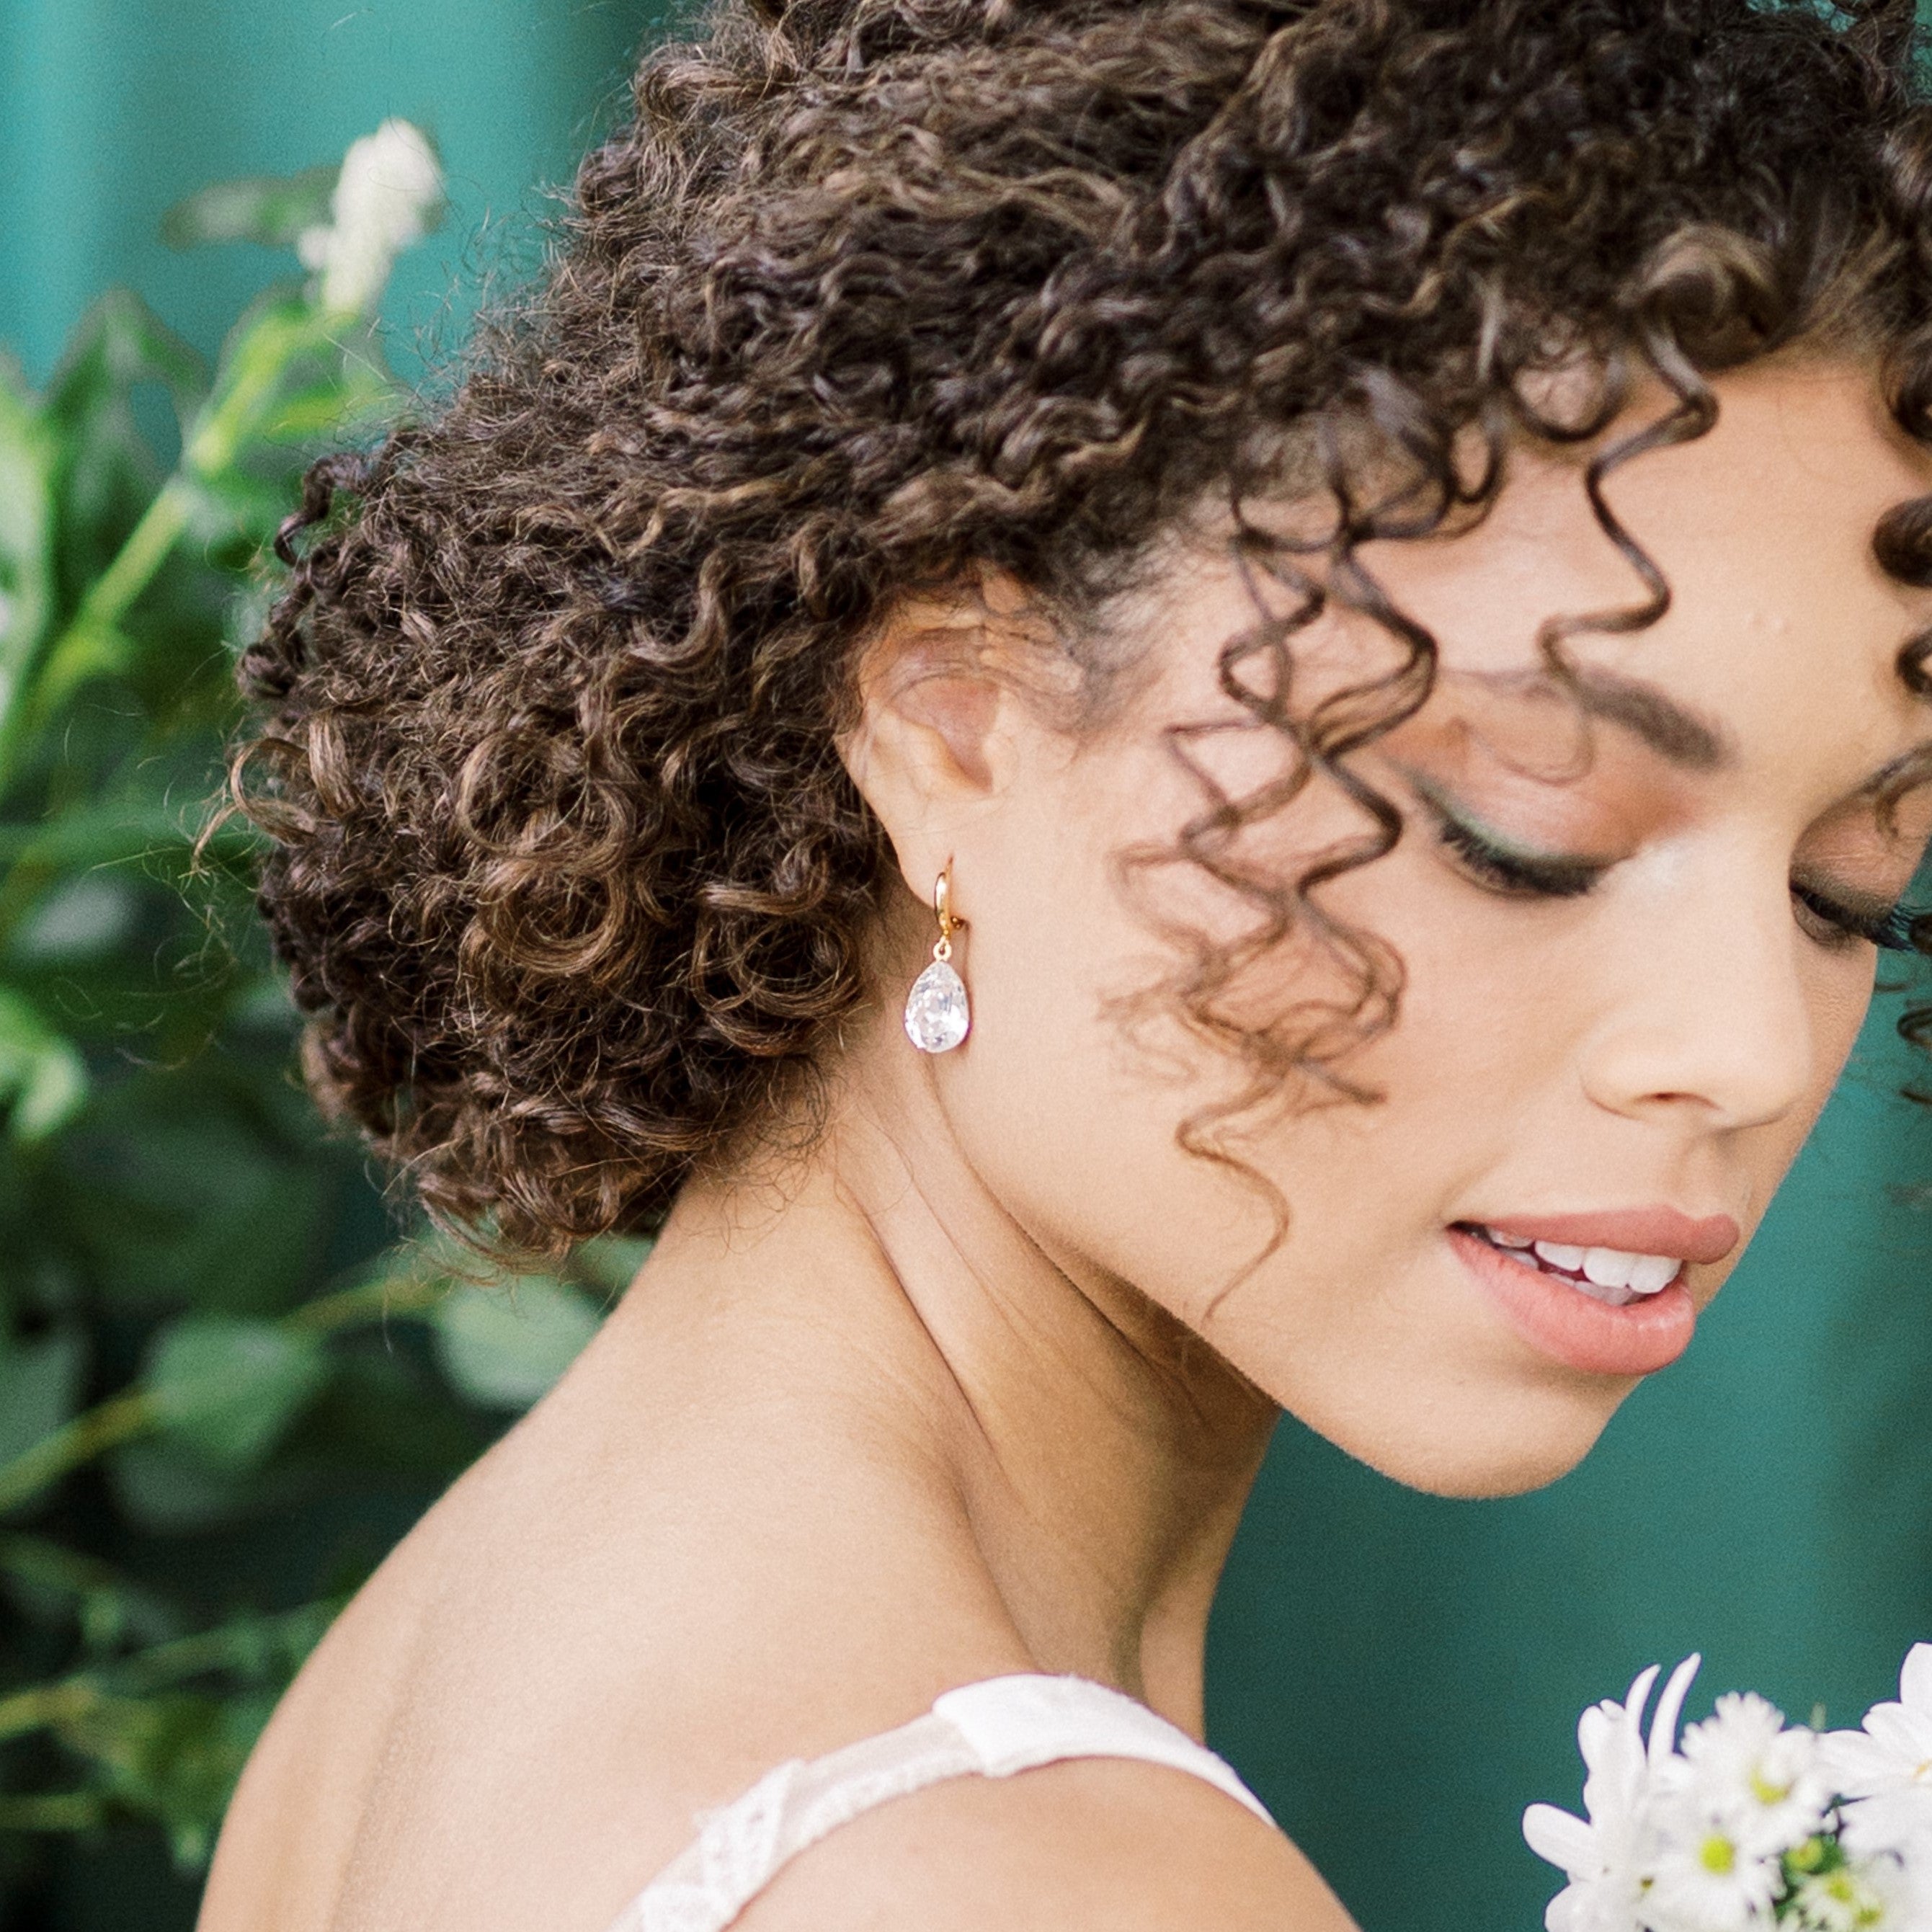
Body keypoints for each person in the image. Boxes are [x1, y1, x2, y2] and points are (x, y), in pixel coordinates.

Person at [195, 1, 1932, 1926]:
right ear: (953, 717)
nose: (1747, 1051)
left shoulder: (464, 1638)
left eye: (1852, 887)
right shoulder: (1020, 1877)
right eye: (1525, 834)